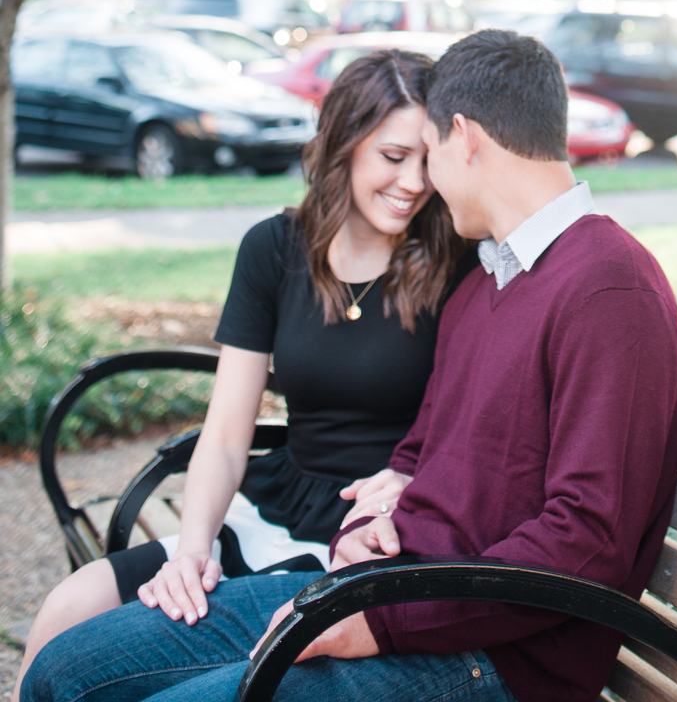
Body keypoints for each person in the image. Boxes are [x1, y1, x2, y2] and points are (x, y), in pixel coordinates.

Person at [24, 28, 677, 702]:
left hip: (493, 654)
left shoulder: (608, 289)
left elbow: (586, 542)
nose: (423, 181)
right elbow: (421, 451)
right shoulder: (493, 278)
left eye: (426, 153)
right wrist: (376, 524)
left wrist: (378, 620)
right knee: (64, 671)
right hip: (397, 590)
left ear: (462, 139)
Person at [17, 48, 465, 700]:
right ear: (343, 145)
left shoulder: (454, 264)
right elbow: (228, 432)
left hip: (362, 540)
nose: (414, 181)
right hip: (272, 505)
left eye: (428, 159)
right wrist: (192, 550)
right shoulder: (275, 249)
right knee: (68, 605)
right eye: (394, 157)